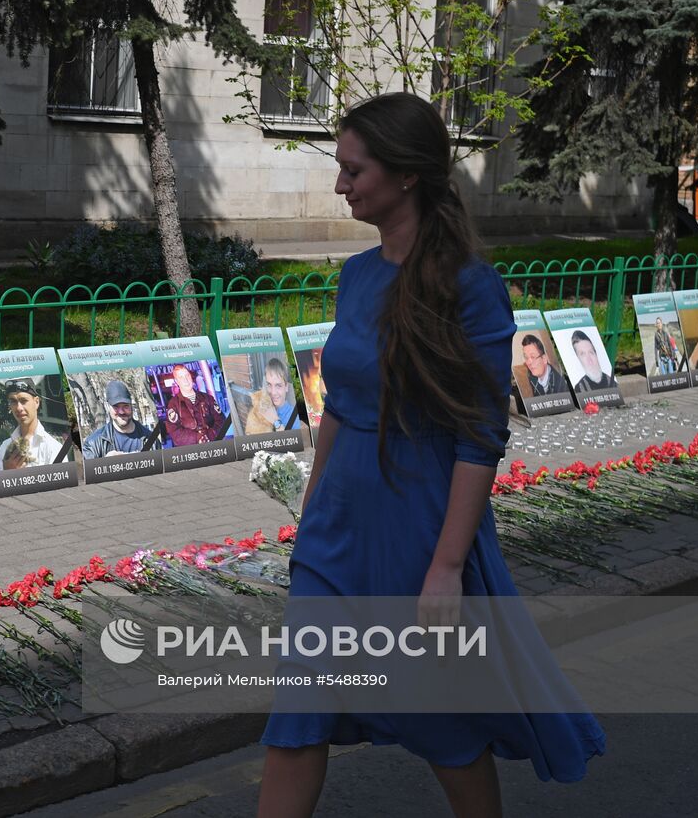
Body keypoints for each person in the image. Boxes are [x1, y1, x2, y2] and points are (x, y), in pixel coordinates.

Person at [258, 93, 604, 818]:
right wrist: (310, 516)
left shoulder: (472, 288)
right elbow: (338, 408)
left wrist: (447, 566)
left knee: (439, 721)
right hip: (336, 530)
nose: (340, 184)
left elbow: (481, 435)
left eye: (354, 169)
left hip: (415, 532)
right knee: (297, 714)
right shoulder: (355, 275)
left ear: (407, 174)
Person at [0, 378, 63, 471]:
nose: (19, 408)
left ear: (36, 402)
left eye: (23, 400)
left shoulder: (53, 448)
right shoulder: (5, 447)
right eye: (13, 401)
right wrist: (7, 472)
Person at [81, 380, 152, 458]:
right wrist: (104, 464)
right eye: (116, 407)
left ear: (131, 405)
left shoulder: (150, 439)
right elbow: (86, 469)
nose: (121, 412)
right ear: (108, 407)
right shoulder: (92, 444)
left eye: (125, 406)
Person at [162, 362, 225, 446]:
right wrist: (197, 438)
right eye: (181, 377)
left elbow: (221, 420)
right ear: (176, 381)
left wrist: (210, 435)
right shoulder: (173, 405)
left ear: (191, 376)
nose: (185, 380)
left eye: (187, 375)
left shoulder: (207, 398)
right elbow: (174, 432)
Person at [245, 358, 304, 434]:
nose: (273, 393)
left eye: (278, 385)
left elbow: (293, 445)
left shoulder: (294, 417)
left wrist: (276, 421)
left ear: (286, 387)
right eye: (269, 384)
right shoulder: (262, 406)